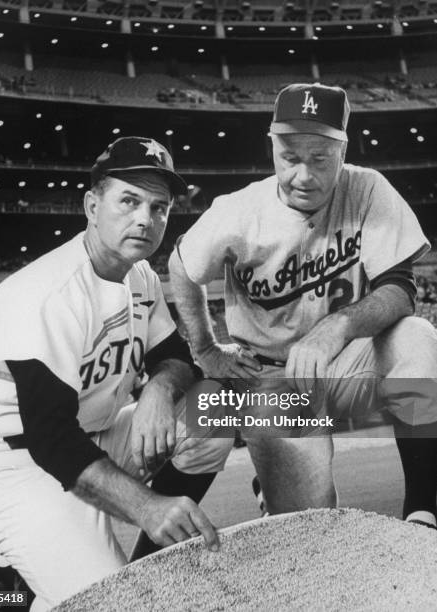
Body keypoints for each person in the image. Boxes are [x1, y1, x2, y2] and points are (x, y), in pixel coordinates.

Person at [0, 137, 232, 611]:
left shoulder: (140, 274)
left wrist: (158, 392)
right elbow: (51, 440)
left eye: (159, 207)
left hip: (93, 436)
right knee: (110, 602)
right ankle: (6, 580)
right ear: (92, 205)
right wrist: (148, 507)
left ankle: (153, 568)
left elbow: (178, 360)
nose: (145, 219)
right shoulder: (44, 293)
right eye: (128, 200)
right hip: (13, 463)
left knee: (216, 410)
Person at [169, 83, 437, 528]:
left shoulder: (368, 189)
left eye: (320, 158)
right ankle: (272, 484)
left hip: (344, 366)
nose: (304, 176)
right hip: (269, 378)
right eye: (290, 157)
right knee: (310, 528)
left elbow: (400, 288)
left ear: (343, 149)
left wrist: (338, 326)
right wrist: (206, 349)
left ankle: (423, 512)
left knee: (417, 337)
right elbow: (181, 266)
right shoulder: (238, 211)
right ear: (272, 146)